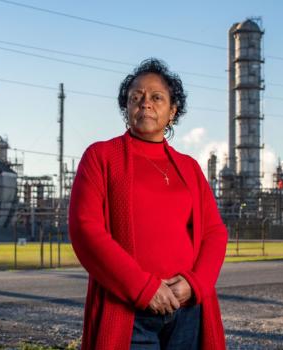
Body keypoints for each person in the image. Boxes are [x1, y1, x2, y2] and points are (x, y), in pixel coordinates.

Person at [69, 58, 228, 350]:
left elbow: (214, 233)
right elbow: (85, 229)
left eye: (157, 97)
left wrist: (195, 285)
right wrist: (144, 289)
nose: (145, 104)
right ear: (126, 108)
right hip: (129, 312)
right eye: (136, 97)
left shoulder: (189, 168)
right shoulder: (102, 157)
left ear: (172, 112)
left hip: (188, 309)